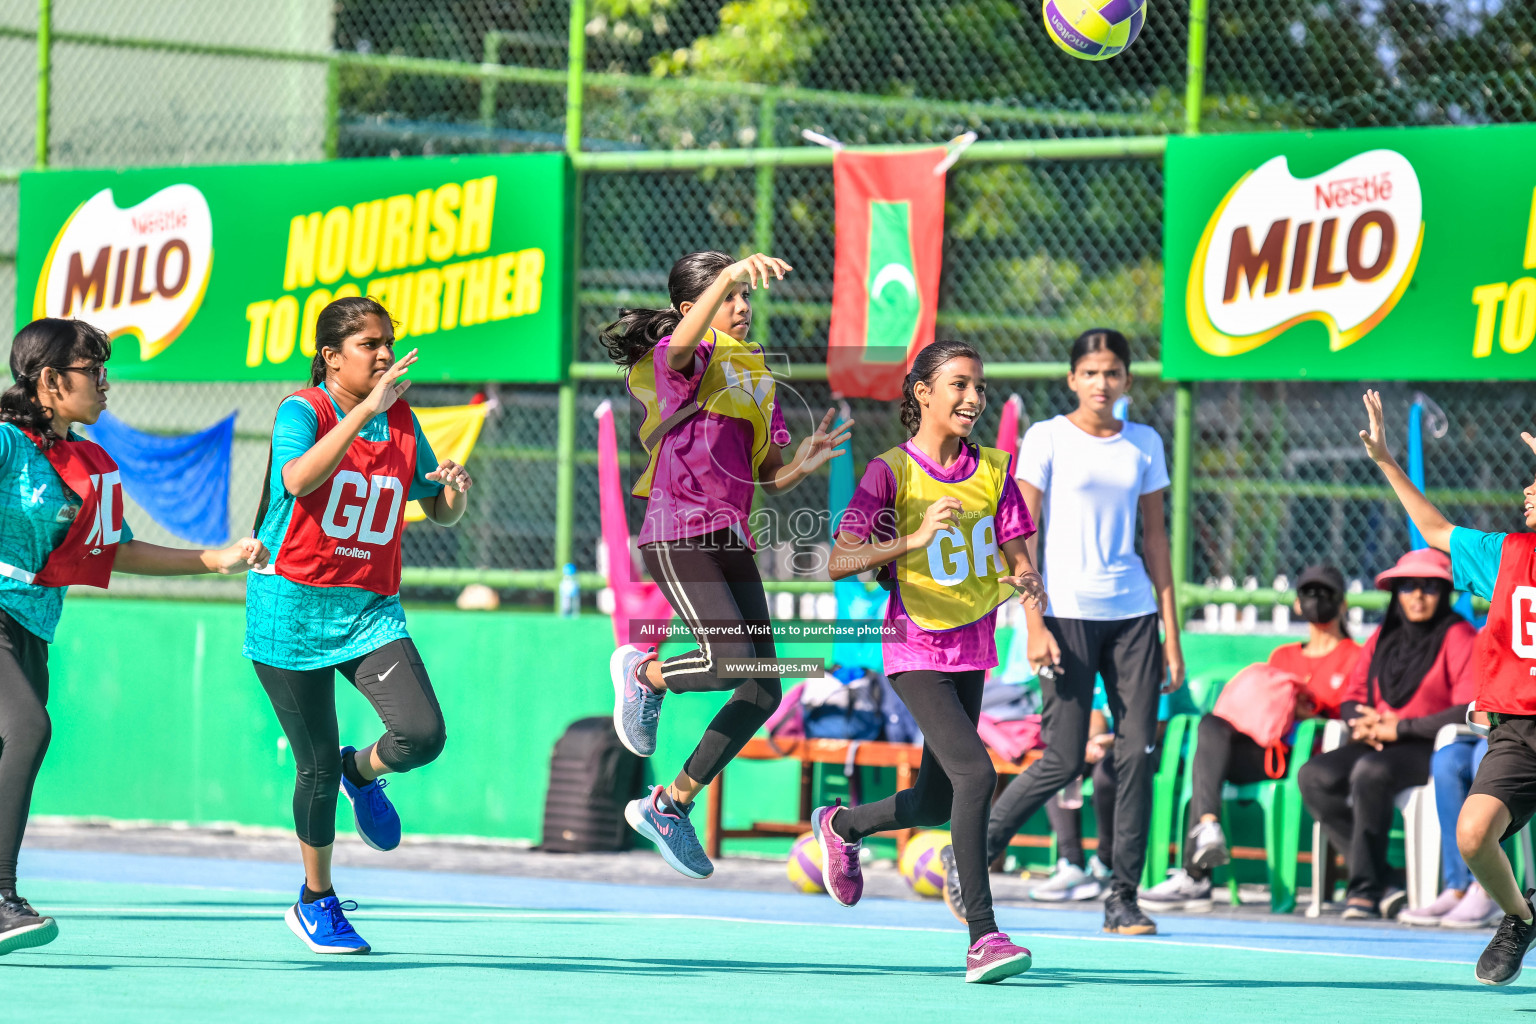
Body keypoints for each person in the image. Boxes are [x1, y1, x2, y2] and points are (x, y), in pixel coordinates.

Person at [0, 318, 267, 955]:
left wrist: (216, 558)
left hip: (33, 626)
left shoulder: (88, 461)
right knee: (30, 729)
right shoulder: (7, 443)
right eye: (91, 369)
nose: (104, 381)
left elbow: (114, 550)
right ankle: (2, 898)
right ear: (49, 381)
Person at [601, 251, 851, 880]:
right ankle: (647, 675)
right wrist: (730, 275)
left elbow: (766, 474)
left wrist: (805, 463)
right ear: (694, 309)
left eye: (744, 296)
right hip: (677, 529)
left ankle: (670, 804)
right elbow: (682, 348)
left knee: (763, 684)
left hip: (729, 534)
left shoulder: (754, 371)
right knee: (727, 657)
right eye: (728, 296)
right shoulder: (678, 358)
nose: (741, 307)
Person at [245, 296, 471, 955]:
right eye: (369, 343)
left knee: (423, 732)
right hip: (291, 606)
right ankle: (316, 900)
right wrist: (362, 414)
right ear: (330, 358)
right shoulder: (304, 409)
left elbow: (439, 504)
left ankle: (363, 773)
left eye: (387, 341)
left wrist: (453, 489)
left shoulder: (400, 417)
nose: (382, 353)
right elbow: (295, 478)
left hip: (368, 607)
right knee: (312, 765)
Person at [815, 340, 1043, 983]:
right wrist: (912, 537)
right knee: (977, 776)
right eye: (960, 386)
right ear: (922, 393)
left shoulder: (995, 469)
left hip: (972, 646)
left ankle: (844, 824)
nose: (974, 398)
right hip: (913, 647)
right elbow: (841, 560)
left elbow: (1017, 551)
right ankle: (984, 935)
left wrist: (1028, 587)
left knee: (935, 801)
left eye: (979, 387)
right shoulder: (890, 472)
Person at [980, 328, 1183, 935]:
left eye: (1113, 372)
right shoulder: (1046, 438)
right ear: (1073, 379)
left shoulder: (1144, 443)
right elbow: (1021, 533)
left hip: (1135, 618)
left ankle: (1122, 896)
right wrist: (1032, 622)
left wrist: (1172, 637)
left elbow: (1156, 540)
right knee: (1064, 757)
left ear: (1127, 380)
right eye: (1091, 372)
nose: (1102, 382)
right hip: (1063, 615)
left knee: (1135, 755)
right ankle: (974, 851)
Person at [1358, 389, 1536, 984]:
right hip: (1517, 730)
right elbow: (1433, 528)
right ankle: (1518, 915)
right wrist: (1385, 458)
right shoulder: (1506, 555)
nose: (1527, 490)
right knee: (1472, 833)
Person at [1143, 564, 1361, 910]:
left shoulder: (1354, 656)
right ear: (1297, 604)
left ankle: (1195, 879)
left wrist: (1310, 709)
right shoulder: (1283, 655)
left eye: (1327, 594)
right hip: (1263, 749)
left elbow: (1350, 716)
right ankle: (1209, 828)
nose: (1317, 600)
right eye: (1309, 593)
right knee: (1210, 727)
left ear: (1343, 603)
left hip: (1304, 758)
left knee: (1206, 765)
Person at [1295, 547, 1475, 920]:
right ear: (1397, 592)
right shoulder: (1383, 636)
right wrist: (1359, 722)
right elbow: (1354, 695)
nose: (1418, 596)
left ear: (1444, 594)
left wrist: (1401, 727)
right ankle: (1386, 878)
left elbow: (1466, 707)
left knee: (1370, 772)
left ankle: (1364, 889)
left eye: (1430, 587)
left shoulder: (1458, 636)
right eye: (1408, 586)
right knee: (1314, 776)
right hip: (1377, 739)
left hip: (1428, 744)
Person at [1400, 734, 1498, 928]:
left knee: (1486, 752)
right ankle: (1457, 887)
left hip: (1520, 734)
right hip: (1487, 731)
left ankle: (1487, 888)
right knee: (1446, 759)